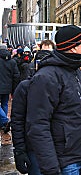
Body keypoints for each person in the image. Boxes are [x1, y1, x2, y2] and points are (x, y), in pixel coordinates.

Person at [25, 25, 81, 174]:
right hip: (66, 161)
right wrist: (50, 166)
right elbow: (38, 125)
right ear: (73, 47)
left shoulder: (78, 73)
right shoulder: (46, 77)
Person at [11, 41, 55, 175]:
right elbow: (17, 120)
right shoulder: (25, 87)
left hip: (57, 147)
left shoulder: (59, 85)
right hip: (33, 148)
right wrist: (19, 150)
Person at [0, 43, 20, 146]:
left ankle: (4, 121)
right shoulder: (12, 61)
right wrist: (14, 89)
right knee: (4, 104)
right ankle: (4, 124)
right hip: (7, 88)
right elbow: (16, 76)